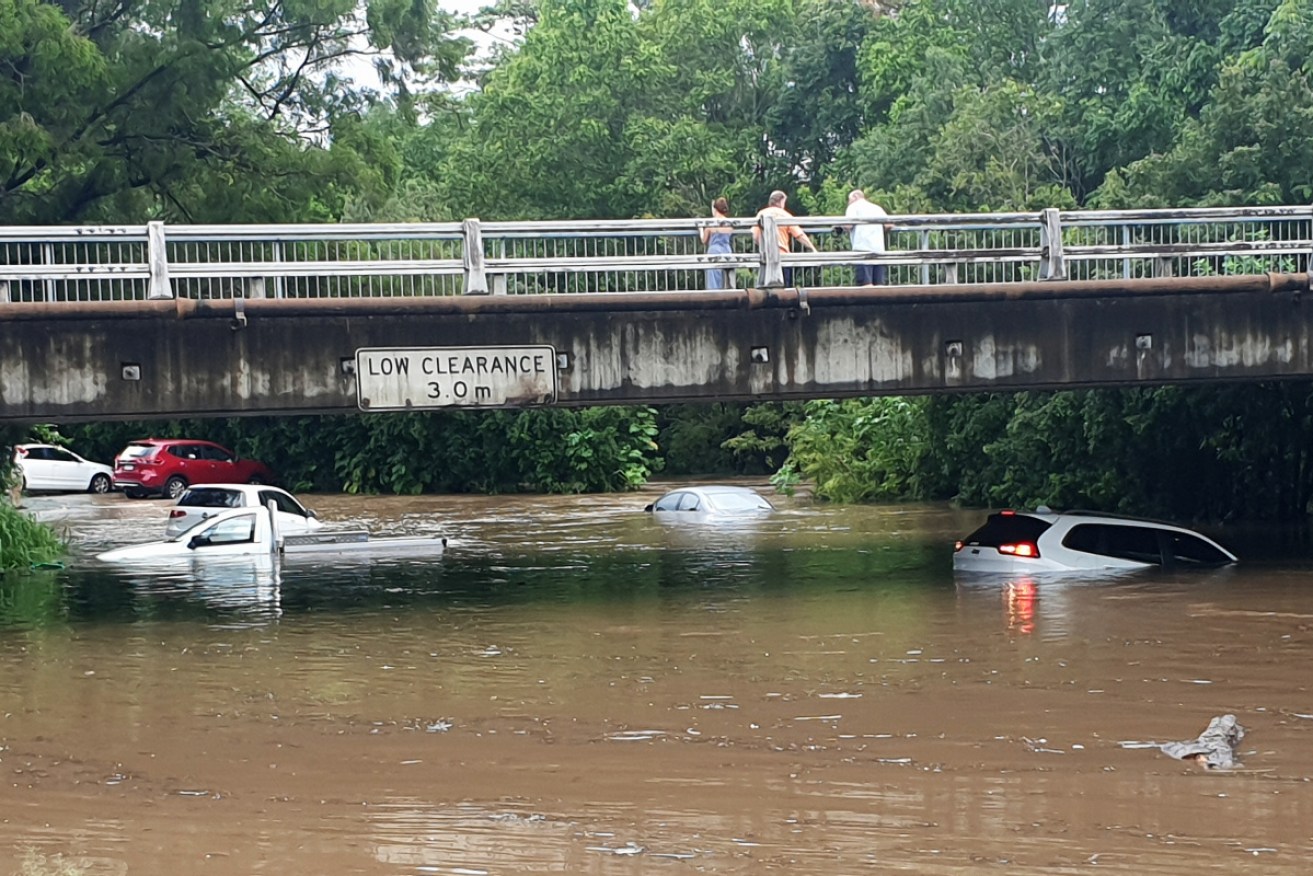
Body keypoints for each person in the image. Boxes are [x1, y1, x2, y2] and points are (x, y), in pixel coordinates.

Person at [753, 190, 817, 287]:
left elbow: (755, 236)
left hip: (766, 256)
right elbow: (799, 235)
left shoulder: (761, 214)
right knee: (785, 290)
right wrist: (813, 249)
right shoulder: (784, 214)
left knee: (765, 288)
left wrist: (764, 246)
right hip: (783, 257)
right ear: (780, 202)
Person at [845, 189, 892, 286]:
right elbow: (889, 225)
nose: (848, 203)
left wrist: (841, 227)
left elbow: (848, 225)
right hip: (879, 250)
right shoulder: (877, 208)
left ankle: (866, 301)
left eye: (849, 200)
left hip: (862, 249)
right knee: (879, 285)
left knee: (865, 284)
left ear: (855, 197)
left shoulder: (853, 207)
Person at [699, 197, 734, 290]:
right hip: (727, 249)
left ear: (715, 208)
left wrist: (701, 230)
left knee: (714, 279)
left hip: (714, 250)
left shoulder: (711, 224)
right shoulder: (729, 223)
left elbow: (704, 240)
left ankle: (714, 298)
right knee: (728, 278)